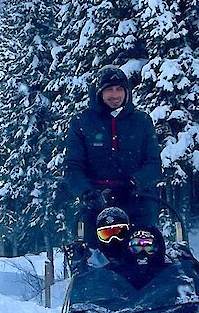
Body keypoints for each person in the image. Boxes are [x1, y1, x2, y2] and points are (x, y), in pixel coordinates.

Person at [63, 65, 162, 244]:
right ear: (99, 92)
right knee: (94, 263)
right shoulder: (82, 122)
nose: (115, 95)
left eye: (119, 89)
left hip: (138, 204)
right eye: (109, 89)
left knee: (145, 259)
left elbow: (153, 165)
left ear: (127, 92)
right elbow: (73, 167)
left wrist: (133, 183)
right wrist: (87, 193)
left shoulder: (142, 121)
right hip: (96, 207)